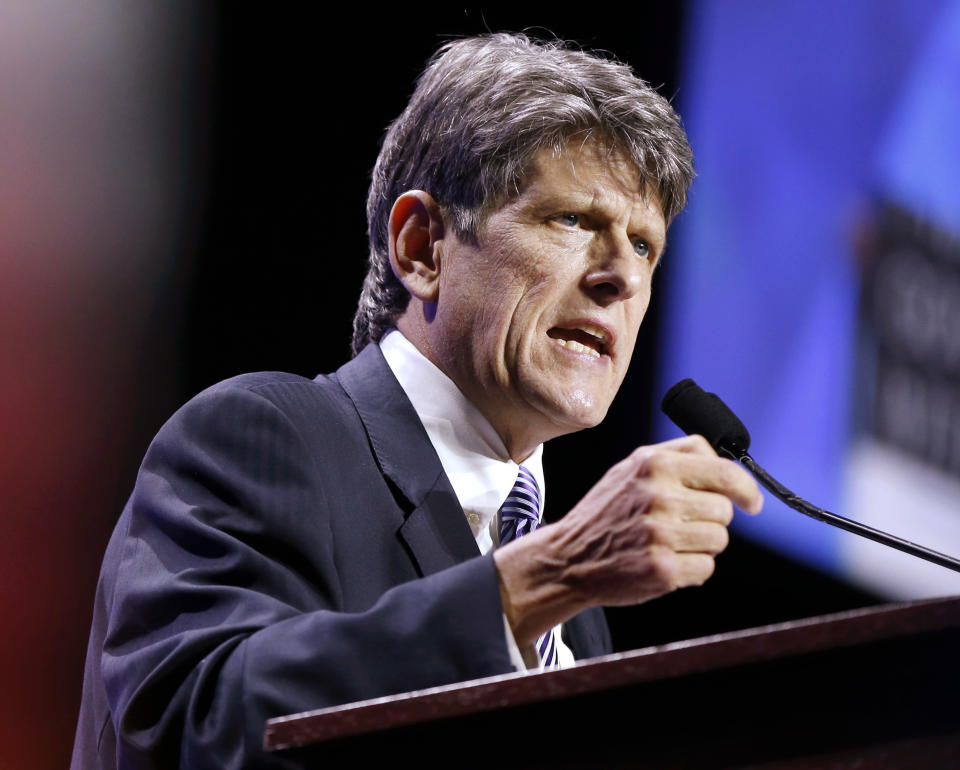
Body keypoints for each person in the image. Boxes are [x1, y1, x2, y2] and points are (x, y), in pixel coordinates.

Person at [72, 33, 763, 769]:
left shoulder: (581, 619)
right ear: (422, 247)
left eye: (645, 246)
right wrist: (542, 580)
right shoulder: (264, 437)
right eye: (573, 221)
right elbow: (195, 724)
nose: (621, 277)